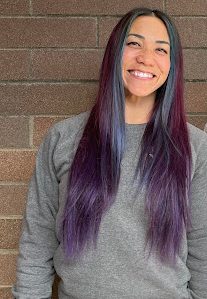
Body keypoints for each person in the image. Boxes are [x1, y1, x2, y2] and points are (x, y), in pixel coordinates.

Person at [13, 7, 207, 299]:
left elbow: (203, 245)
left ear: (172, 65)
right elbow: (37, 240)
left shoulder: (196, 147)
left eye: (161, 49)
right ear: (115, 53)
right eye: (134, 43)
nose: (145, 57)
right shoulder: (63, 138)